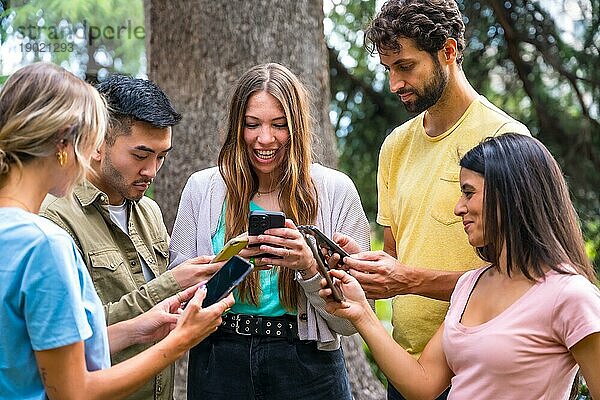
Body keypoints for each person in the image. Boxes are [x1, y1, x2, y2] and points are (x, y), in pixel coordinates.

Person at [0, 62, 234, 399]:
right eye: (90, 141)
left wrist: (137, 329)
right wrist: (182, 339)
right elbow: (74, 390)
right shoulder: (45, 243)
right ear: (65, 145)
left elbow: (38, 351)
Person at [322, 133, 600, 400]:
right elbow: (423, 384)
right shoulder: (471, 285)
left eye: (468, 193)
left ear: (510, 196)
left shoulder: (570, 295)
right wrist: (361, 313)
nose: (458, 207)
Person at [348, 1, 531, 398]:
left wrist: (409, 279)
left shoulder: (506, 140)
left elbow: (520, 278)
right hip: (409, 368)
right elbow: (397, 262)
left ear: (448, 52)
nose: (395, 84)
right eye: (388, 70)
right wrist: (366, 268)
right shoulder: (395, 146)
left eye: (406, 66)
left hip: (479, 370)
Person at [169, 62, 371, 400]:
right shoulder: (202, 189)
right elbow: (177, 300)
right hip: (220, 359)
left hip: (307, 362)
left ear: (297, 127)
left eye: (279, 125)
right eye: (252, 125)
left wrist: (309, 267)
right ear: (237, 127)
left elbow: (350, 322)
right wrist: (232, 266)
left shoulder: (336, 190)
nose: (265, 139)